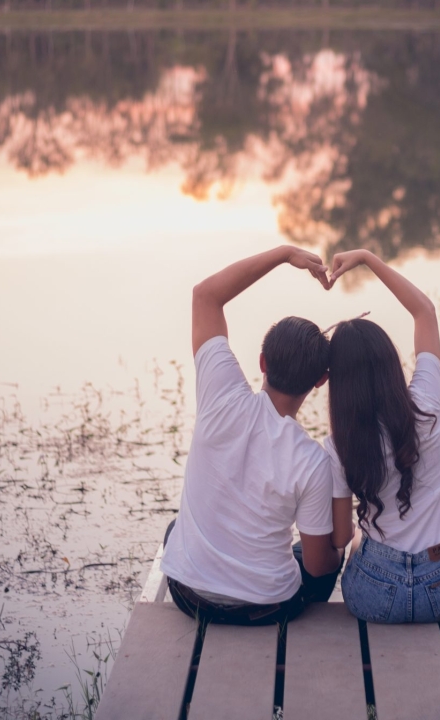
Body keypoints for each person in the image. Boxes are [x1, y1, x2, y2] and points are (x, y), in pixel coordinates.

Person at [160, 245, 346, 626]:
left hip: (189, 596)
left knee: (175, 531)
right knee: (321, 553)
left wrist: (284, 255)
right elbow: (317, 566)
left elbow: (205, 295)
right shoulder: (313, 461)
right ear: (320, 381)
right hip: (265, 610)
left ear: (262, 362)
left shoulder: (220, 394)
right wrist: (340, 548)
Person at [322, 249, 440, 624]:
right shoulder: (428, 404)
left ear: (339, 385)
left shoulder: (339, 445)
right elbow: (425, 312)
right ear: (391, 362)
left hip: (374, 593)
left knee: (361, 542)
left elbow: (340, 538)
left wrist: (360, 538)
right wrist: (368, 259)